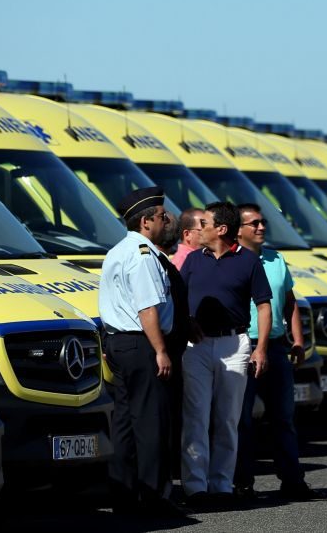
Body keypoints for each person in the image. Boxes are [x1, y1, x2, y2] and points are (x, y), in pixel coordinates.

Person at [179, 202, 273, 506]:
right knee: (195, 418)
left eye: (204, 223)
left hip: (235, 346)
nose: (199, 228)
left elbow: (264, 305)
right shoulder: (193, 260)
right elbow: (176, 300)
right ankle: (195, 488)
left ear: (221, 229)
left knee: (227, 419)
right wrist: (186, 323)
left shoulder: (249, 262)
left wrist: (261, 348)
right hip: (197, 346)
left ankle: (221, 486)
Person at [98, 187, 181, 516]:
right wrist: (160, 350)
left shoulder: (118, 251)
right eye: (162, 216)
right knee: (151, 423)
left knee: (125, 423)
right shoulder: (143, 255)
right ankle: (155, 498)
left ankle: (124, 493)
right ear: (146, 222)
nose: (167, 219)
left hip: (119, 343)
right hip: (143, 342)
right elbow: (147, 308)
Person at [233, 203, 323, 501]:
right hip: (244, 346)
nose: (261, 228)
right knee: (242, 419)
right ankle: (243, 483)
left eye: (263, 223)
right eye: (253, 223)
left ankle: (292, 480)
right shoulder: (233, 261)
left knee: (283, 417)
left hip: (275, 346)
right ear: (238, 230)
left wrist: (298, 340)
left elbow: (289, 301)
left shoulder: (276, 259)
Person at [153, 213, 191, 481]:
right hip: (159, 350)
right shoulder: (150, 261)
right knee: (159, 421)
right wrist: (161, 350)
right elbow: (148, 310)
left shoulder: (164, 263)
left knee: (170, 418)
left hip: (173, 348)